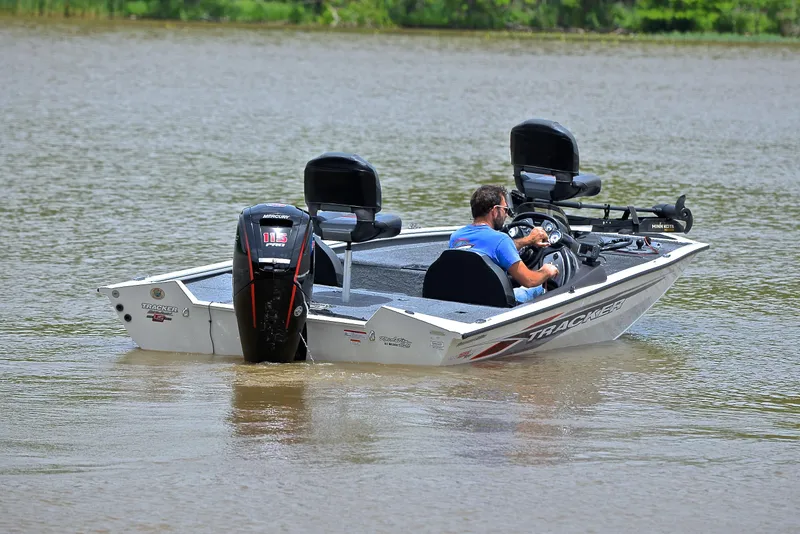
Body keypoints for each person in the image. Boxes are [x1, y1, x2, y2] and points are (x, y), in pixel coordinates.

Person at [449, 185, 559, 303]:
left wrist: (527, 241)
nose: (506, 214)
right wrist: (547, 271)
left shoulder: (456, 237)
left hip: (464, 297)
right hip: (494, 303)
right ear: (495, 211)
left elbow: (491, 249)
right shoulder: (501, 240)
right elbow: (529, 281)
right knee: (539, 286)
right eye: (505, 209)